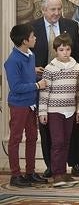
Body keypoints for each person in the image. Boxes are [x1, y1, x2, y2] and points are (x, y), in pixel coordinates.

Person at [30, 0, 79, 179]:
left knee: (72, 129)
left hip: (69, 85)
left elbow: (77, 53)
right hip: (44, 84)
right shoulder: (33, 27)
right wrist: (32, 69)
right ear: (43, 10)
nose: (56, 13)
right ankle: (52, 166)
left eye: (59, 9)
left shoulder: (71, 26)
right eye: (53, 9)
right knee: (47, 130)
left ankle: (76, 163)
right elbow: (27, 55)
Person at [5, 24, 48, 188]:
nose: (35, 38)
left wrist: (34, 72)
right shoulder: (12, 61)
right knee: (15, 139)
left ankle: (30, 172)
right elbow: (16, 87)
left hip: (31, 104)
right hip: (18, 105)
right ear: (24, 41)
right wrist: (38, 85)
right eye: (32, 36)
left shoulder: (30, 55)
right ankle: (15, 175)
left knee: (32, 137)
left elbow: (27, 76)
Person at [38, 33, 79, 188]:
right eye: (62, 49)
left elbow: (78, 91)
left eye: (68, 49)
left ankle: (64, 173)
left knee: (67, 142)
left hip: (70, 110)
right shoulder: (50, 69)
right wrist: (43, 112)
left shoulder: (77, 67)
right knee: (58, 142)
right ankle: (57, 174)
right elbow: (44, 92)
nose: (65, 52)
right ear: (56, 50)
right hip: (54, 110)